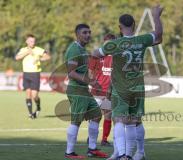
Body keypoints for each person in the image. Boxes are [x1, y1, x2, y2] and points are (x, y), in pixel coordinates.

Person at [92, 5, 164, 160]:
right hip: (137, 87)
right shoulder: (142, 40)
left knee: (118, 120)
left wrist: (107, 49)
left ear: (119, 27)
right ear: (134, 25)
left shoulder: (115, 44)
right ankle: (137, 153)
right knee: (134, 121)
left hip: (121, 88)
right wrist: (156, 16)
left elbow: (95, 54)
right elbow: (158, 35)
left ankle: (123, 154)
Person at [64, 23, 108, 159]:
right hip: (76, 90)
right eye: (84, 32)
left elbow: (84, 71)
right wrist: (90, 81)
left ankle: (92, 149)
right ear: (77, 34)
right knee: (76, 121)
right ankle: (69, 152)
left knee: (96, 115)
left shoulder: (83, 50)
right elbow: (71, 73)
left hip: (84, 90)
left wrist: (94, 82)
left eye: (89, 32)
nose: (88, 35)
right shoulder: (73, 50)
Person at [88, 34, 115, 146]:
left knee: (108, 115)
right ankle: (90, 138)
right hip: (97, 91)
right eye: (107, 43)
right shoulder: (97, 56)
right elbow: (89, 72)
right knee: (94, 116)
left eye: (112, 43)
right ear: (104, 43)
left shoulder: (117, 57)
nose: (109, 46)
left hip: (109, 92)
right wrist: (93, 84)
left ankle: (104, 139)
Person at [15, 34, 51, 119]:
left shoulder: (38, 49)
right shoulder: (23, 50)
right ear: (26, 41)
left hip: (35, 74)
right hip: (26, 74)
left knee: (34, 95)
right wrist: (26, 53)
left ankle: (38, 107)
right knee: (28, 94)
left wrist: (40, 59)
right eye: (30, 41)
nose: (32, 42)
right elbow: (17, 58)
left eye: (33, 41)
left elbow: (48, 56)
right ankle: (31, 113)